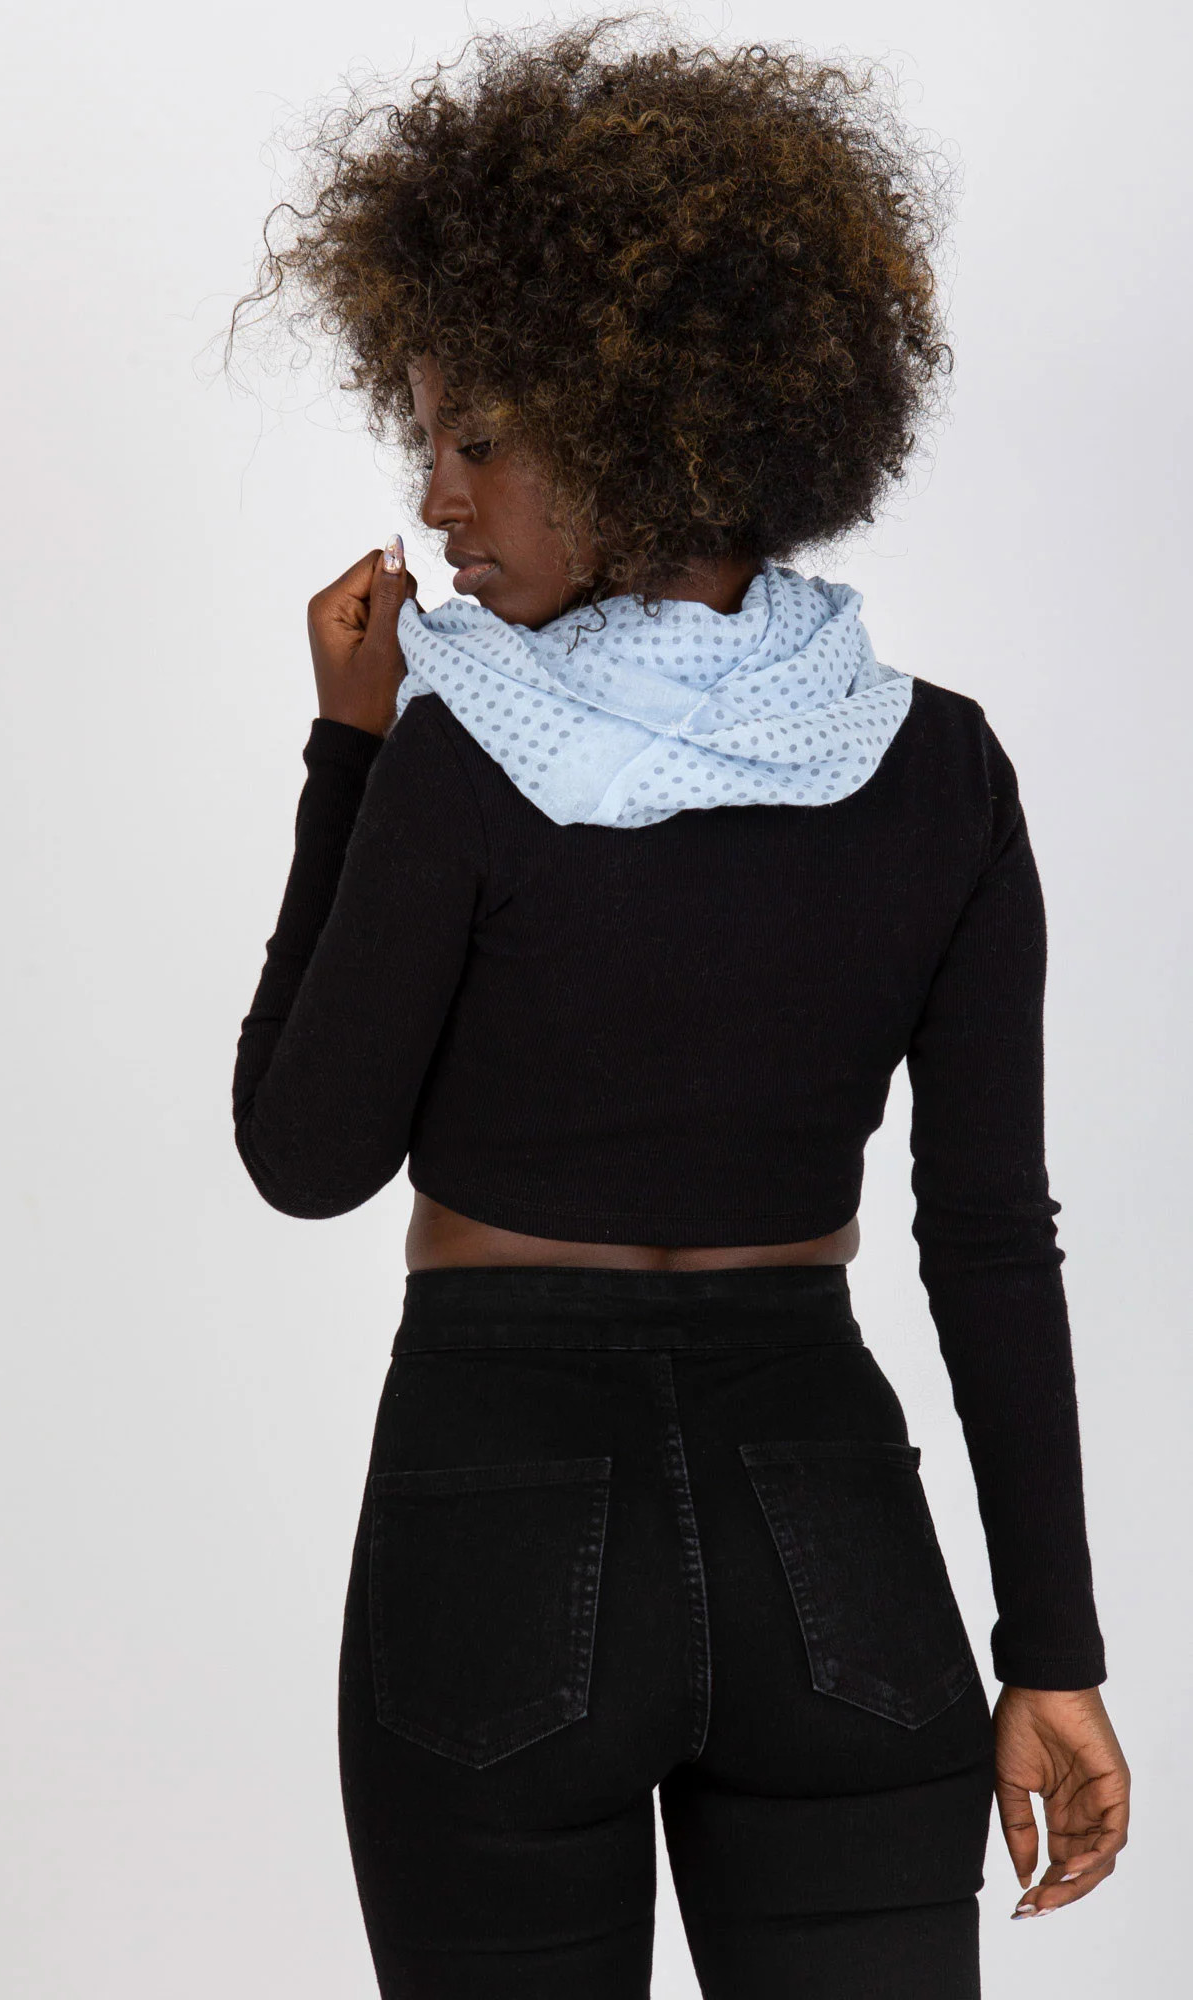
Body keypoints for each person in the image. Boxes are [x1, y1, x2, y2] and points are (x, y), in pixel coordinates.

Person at [226, 19, 1130, 1997]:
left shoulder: (465, 757)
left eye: (480, 440)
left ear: (648, 435)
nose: (436, 500)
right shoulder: (938, 768)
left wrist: (347, 753)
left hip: (496, 1530)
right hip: (836, 1541)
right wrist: (1051, 1651)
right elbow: (988, 1238)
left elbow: (306, 1153)